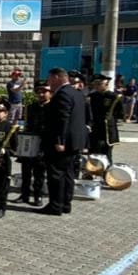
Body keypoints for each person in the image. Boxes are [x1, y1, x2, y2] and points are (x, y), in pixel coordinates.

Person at [40, 67, 87, 217]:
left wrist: (59, 140)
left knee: (56, 174)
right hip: (75, 141)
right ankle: (66, 203)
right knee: (68, 173)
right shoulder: (77, 93)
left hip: (62, 143)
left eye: (49, 79)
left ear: (57, 77)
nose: (48, 84)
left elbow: (63, 119)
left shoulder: (63, 94)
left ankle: (56, 205)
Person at [18, 83, 51, 207]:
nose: (41, 94)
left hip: (43, 142)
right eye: (39, 92)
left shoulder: (53, 107)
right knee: (26, 170)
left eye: (44, 92)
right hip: (29, 140)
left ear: (50, 93)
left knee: (39, 171)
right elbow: (26, 123)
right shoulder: (31, 107)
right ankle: (24, 194)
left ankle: (38, 195)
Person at [87, 74, 121, 162]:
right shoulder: (92, 96)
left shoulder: (113, 97)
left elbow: (119, 112)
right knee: (93, 151)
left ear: (106, 84)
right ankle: (90, 172)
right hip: (95, 127)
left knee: (107, 153)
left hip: (107, 128)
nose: (96, 86)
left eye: (99, 84)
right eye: (95, 84)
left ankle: (107, 172)